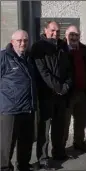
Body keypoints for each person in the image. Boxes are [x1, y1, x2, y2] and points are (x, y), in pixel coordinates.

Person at [32, 21, 73, 170]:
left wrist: (66, 86)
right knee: (44, 128)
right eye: (52, 31)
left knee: (59, 126)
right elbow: (42, 72)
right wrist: (58, 87)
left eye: (57, 31)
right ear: (45, 30)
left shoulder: (62, 46)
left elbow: (69, 69)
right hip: (46, 94)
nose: (55, 34)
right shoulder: (38, 47)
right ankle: (43, 158)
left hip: (61, 95)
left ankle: (58, 152)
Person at [0, 30, 36, 171]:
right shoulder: (4, 57)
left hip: (27, 107)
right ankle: (4, 168)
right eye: (19, 40)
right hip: (10, 108)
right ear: (12, 41)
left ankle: (23, 165)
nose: (23, 43)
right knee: (7, 143)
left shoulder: (28, 58)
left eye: (25, 40)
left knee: (26, 141)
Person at [63, 25, 86, 152]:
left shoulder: (84, 50)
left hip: (82, 92)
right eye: (71, 34)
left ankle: (79, 142)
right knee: (64, 123)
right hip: (67, 93)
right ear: (66, 35)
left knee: (81, 121)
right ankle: (61, 148)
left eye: (76, 35)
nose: (74, 37)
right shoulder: (62, 49)